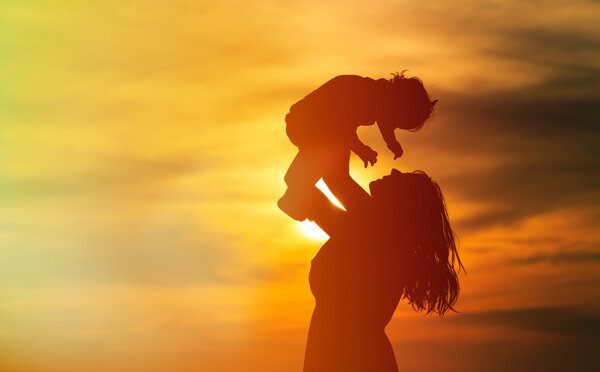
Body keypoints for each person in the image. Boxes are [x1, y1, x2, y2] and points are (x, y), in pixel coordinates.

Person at [300, 169, 463, 372]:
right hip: (347, 353)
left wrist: (333, 139)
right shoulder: (373, 229)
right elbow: (314, 195)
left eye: (401, 179)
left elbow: (334, 177)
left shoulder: (375, 229)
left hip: (353, 357)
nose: (394, 170)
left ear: (401, 203)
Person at [278, 72, 438, 221]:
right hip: (307, 124)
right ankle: (297, 194)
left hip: (323, 129)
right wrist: (360, 148)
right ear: (398, 103)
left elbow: (384, 120)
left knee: (337, 176)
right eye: (397, 122)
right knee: (334, 173)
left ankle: (361, 212)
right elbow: (342, 125)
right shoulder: (367, 94)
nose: (393, 126)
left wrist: (391, 142)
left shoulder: (379, 98)